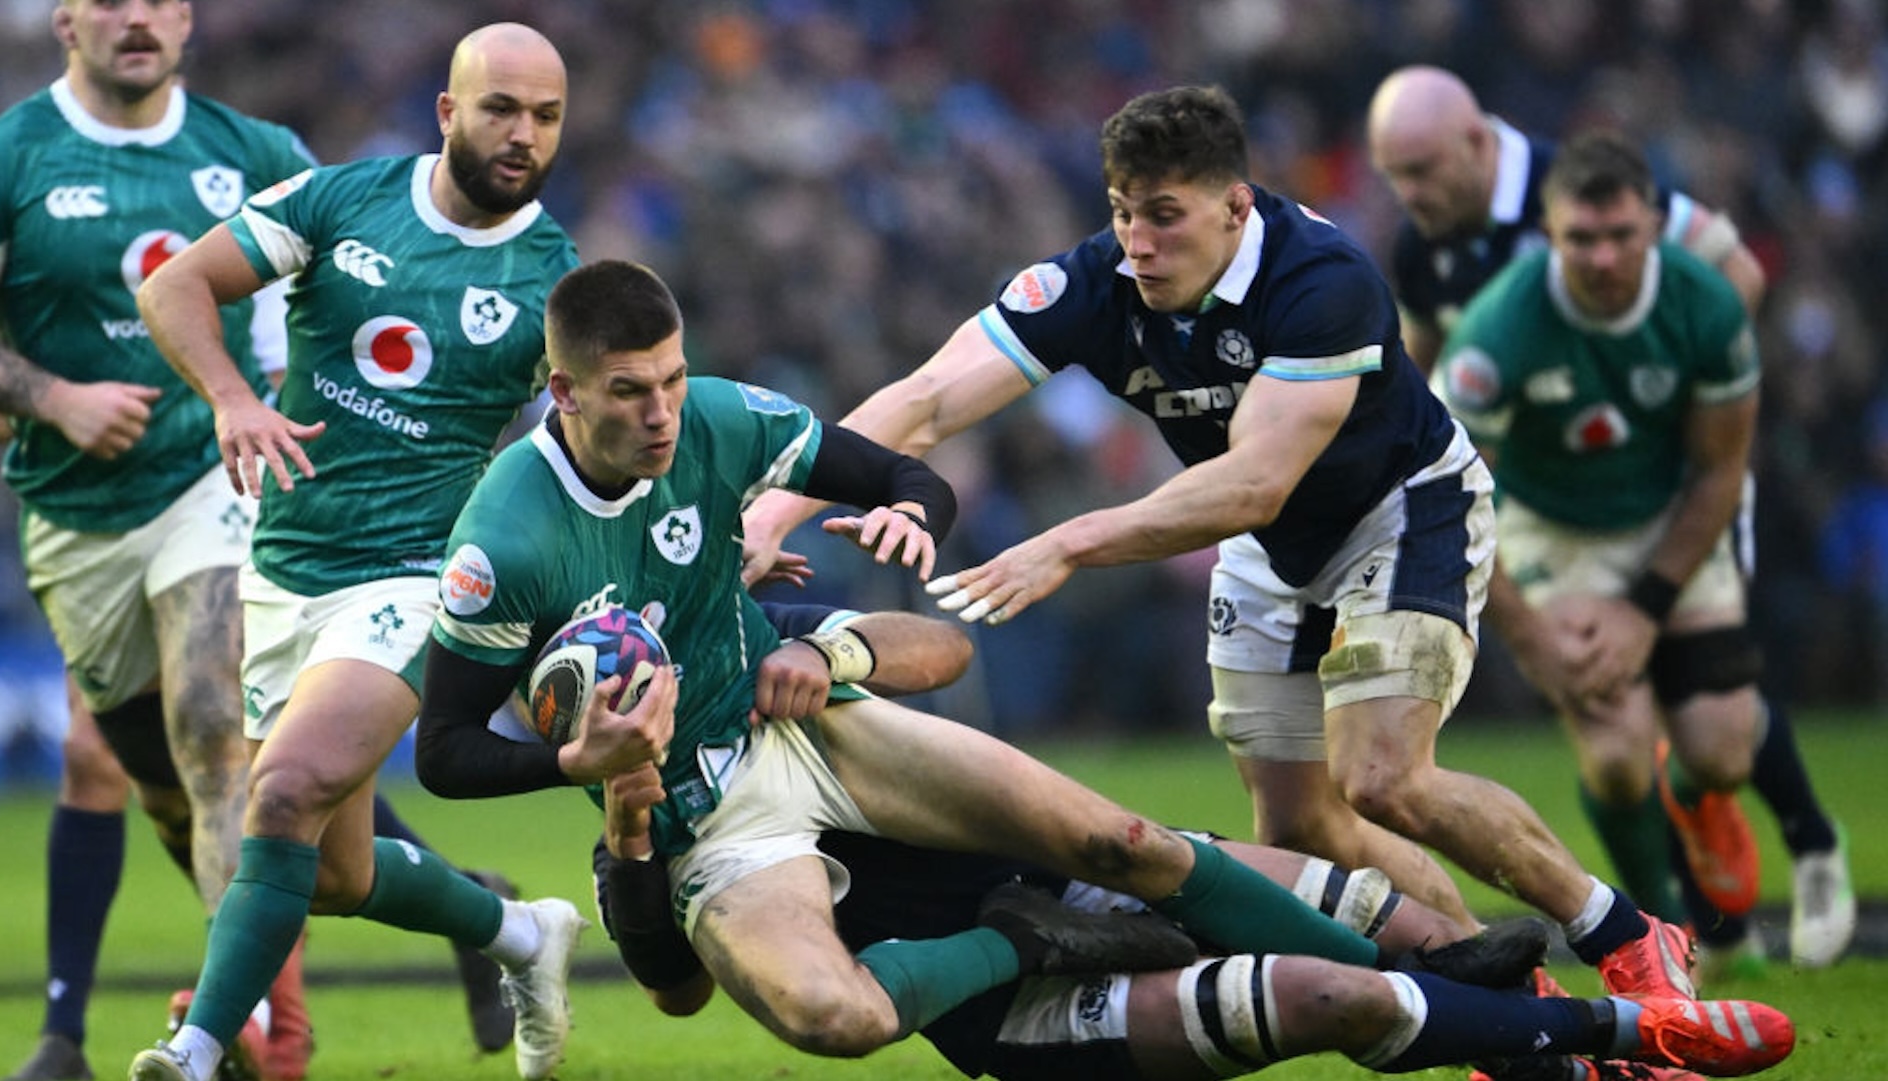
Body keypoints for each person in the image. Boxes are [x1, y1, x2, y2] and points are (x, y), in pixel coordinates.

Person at [412, 257, 1786, 1078]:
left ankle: (1584, 1009)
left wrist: (909, 518)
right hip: (709, 817)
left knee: (1116, 832)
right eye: (629, 394)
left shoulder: (719, 421)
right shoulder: (503, 543)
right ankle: (1032, 934)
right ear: (561, 390)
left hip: (801, 729)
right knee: (834, 1020)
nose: (661, 413)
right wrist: (583, 764)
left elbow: (895, 472)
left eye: (671, 380)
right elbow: (448, 752)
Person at [741, 84, 1708, 1005]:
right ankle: (1510, 1004)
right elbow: (927, 398)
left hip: (1399, 508)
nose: (1139, 244)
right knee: (1302, 830)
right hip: (1264, 543)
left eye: (1165, 215)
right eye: (1123, 212)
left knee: (1383, 777)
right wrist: (769, 517)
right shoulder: (1092, 281)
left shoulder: (1323, 280)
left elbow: (1257, 479)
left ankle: (1621, 932)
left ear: (1237, 206)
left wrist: (1070, 541)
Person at [588, 605, 1783, 1081]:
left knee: (1410, 922)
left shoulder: (736, 639)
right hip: (1000, 1000)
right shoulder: (651, 813)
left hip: (1078, 869)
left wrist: (835, 650)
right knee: (1336, 995)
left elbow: (938, 644)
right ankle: (1626, 1028)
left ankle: (1556, 1060)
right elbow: (678, 987)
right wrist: (629, 836)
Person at [126, 22, 583, 1081]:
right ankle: (520, 932)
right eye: (502, 109)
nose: (524, 135)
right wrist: (234, 399)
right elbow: (172, 288)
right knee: (326, 870)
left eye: (547, 116)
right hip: (286, 569)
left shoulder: (557, 284)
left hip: (424, 580)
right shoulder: (340, 201)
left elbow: (602, 442)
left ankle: (196, 1052)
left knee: (277, 797)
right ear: (449, 111)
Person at [1368, 64, 1855, 975]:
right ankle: (1672, 931)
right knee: (1617, 747)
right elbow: (1432, 406)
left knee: (1716, 734)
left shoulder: (1595, 182)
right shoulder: (1448, 273)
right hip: (1552, 517)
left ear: (1478, 143)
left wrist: (1658, 375)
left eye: (1423, 170)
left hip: (1671, 483)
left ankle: (1802, 834)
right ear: (1550, 237)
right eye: (1394, 174)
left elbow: (1736, 282)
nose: (1410, 194)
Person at [0, 1, 315, 1075]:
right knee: (155, 779)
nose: (137, 17)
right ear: (65, 16)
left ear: (188, 20)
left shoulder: (256, 155)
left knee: (216, 724)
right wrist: (56, 398)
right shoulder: (2, 159)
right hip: (75, 521)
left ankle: (238, 1029)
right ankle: (484, 917)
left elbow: (335, 305)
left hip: (215, 480)